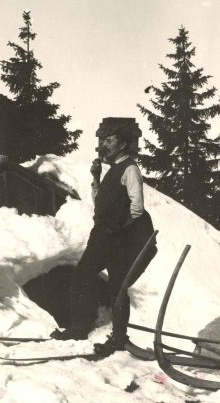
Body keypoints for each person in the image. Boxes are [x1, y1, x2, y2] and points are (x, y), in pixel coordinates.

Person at [51, 118, 156, 355]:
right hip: (100, 238)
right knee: (81, 276)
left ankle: (119, 339)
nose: (105, 144)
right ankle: (78, 328)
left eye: (110, 140)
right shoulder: (111, 170)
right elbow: (99, 203)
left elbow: (137, 207)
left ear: (123, 144)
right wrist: (96, 178)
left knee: (118, 289)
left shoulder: (130, 169)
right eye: (104, 140)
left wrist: (117, 230)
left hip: (118, 241)